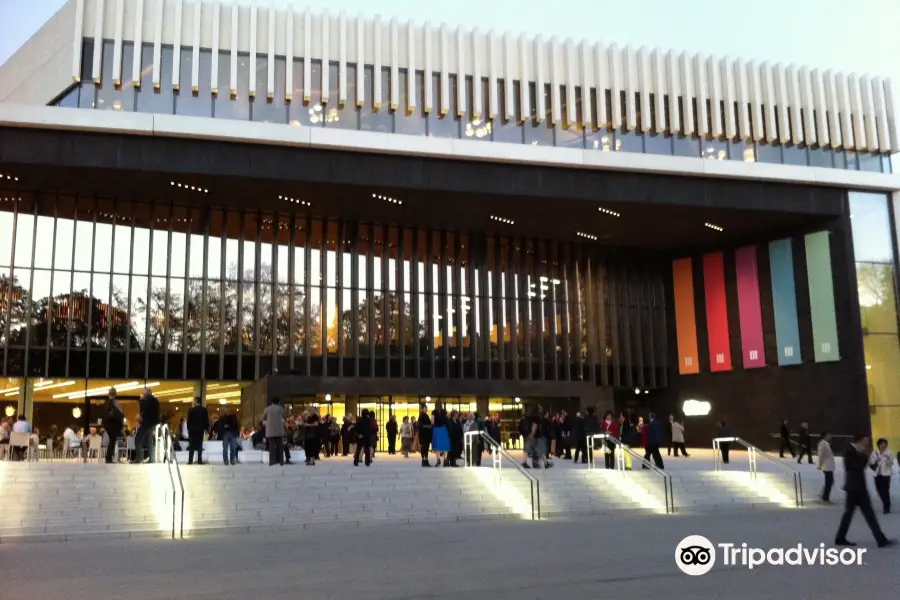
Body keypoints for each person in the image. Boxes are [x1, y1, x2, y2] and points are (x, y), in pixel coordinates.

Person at [835, 434, 894, 548]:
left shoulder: (857, 453)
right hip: (853, 489)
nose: (866, 445)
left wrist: (874, 462)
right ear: (859, 441)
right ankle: (840, 537)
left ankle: (880, 539)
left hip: (860, 489)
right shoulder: (850, 452)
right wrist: (864, 456)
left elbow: (869, 466)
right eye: (865, 443)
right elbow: (856, 466)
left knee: (868, 514)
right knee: (849, 514)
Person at [132, 387, 160, 463]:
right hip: (152, 423)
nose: (143, 395)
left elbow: (145, 410)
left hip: (146, 423)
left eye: (144, 393)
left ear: (147, 394)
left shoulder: (146, 401)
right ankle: (152, 458)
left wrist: (141, 400)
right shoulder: (156, 401)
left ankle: (139, 458)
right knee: (149, 440)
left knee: (138, 439)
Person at [870, 438, 894, 514]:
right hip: (877, 474)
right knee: (879, 490)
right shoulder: (874, 452)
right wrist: (875, 461)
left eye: (884, 444)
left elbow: (891, 464)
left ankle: (886, 506)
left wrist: (887, 460)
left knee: (885, 490)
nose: (883, 445)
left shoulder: (889, 453)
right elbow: (871, 462)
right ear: (878, 445)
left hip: (886, 474)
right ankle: (886, 502)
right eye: (881, 444)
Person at [102, 389, 124, 464]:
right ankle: (108, 458)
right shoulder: (116, 402)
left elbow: (104, 415)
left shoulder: (106, 402)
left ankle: (108, 457)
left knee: (111, 440)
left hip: (107, 424)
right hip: (114, 424)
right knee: (112, 441)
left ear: (109, 394)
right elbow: (121, 412)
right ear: (115, 394)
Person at [262, 397, 286, 466]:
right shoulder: (280, 408)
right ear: (278, 402)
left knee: (271, 447)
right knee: (280, 447)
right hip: (279, 430)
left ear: (272, 402)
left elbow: (263, 417)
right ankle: (280, 461)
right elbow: (284, 416)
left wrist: (266, 422)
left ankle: (272, 461)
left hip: (270, 431)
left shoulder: (267, 409)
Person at [186, 397, 209, 465]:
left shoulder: (191, 410)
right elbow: (206, 420)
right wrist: (206, 429)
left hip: (192, 430)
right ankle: (199, 460)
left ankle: (190, 461)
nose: (193, 402)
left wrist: (189, 429)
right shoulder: (204, 410)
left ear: (196, 401)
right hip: (200, 430)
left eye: (194, 401)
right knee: (199, 445)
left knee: (192, 445)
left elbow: (189, 421)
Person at [817, 431, 835, 503]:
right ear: (825, 436)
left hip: (829, 465)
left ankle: (824, 496)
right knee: (829, 481)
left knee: (829, 481)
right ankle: (825, 497)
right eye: (828, 435)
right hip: (826, 465)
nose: (830, 436)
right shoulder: (822, 444)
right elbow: (821, 455)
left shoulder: (826, 443)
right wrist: (820, 465)